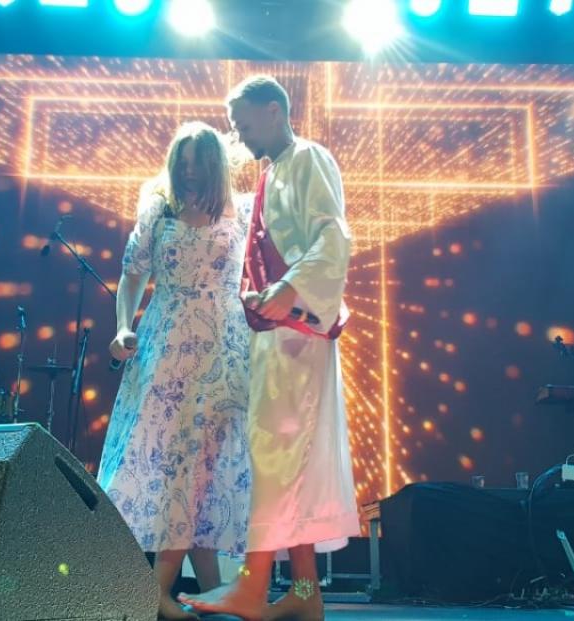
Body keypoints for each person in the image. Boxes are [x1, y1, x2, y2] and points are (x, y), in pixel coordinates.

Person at [181, 75, 359, 621]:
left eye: (243, 123)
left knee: (276, 452)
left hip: (296, 330)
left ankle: (252, 585)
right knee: (284, 457)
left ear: (275, 110)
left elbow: (333, 236)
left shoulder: (308, 158)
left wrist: (289, 287)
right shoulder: (273, 171)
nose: (239, 134)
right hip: (277, 332)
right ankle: (304, 592)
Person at [97, 121, 253, 620]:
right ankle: (172, 592)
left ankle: (206, 591)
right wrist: (124, 327)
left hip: (222, 353)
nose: (187, 173)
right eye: (180, 165)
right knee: (176, 464)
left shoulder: (244, 211)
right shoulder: (158, 210)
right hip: (165, 352)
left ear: (214, 165)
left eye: (196, 165)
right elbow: (131, 276)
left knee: (204, 466)